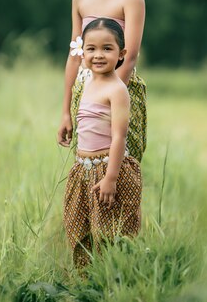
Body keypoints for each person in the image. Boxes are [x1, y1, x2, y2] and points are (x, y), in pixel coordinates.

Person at [57, 0, 147, 163]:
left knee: (116, 169)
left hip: (118, 90)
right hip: (84, 91)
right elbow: (75, 54)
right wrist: (67, 110)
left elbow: (129, 57)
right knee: (87, 165)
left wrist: (107, 99)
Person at [60, 18, 142, 268]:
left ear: (121, 54)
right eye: (91, 48)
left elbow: (119, 136)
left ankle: (114, 283)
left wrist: (111, 177)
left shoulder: (117, 90)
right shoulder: (86, 83)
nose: (98, 55)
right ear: (82, 51)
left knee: (110, 234)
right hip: (82, 169)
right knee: (80, 231)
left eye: (107, 48)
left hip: (106, 170)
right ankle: (86, 284)